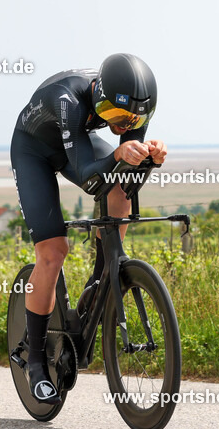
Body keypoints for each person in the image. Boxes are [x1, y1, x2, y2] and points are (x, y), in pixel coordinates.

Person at [10, 53, 167, 404]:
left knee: (120, 197)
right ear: (99, 95)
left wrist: (149, 160)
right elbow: (87, 177)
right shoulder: (69, 99)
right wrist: (119, 155)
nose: (124, 126)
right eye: (114, 116)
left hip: (75, 142)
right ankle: (35, 359)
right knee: (53, 251)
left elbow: (127, 180)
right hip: (34, 151)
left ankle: (102, 279)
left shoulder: (130, 109)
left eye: (135, 120)